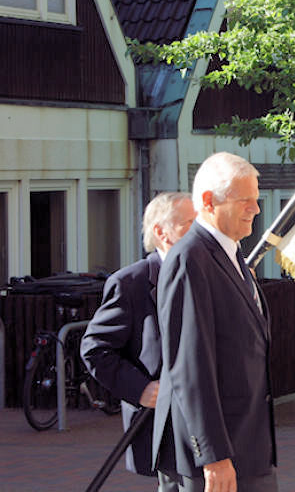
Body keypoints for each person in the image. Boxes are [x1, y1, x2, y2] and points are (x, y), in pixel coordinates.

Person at [153, 152, 278, 492]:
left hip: (249, 448)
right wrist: (213, 456)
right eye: (245, 201)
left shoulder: (232, 252)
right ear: (209, 202)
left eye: (256, 199)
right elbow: (189, 365)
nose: (256, 209)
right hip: (216, 461)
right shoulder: (189, 259)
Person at [81, 191, 196, 491]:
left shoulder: (205, 275)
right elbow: (95, 348)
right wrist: (141, 389)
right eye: (190, 223)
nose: (200, 232)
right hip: (161, 423)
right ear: (161, 231)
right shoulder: (130, 283)